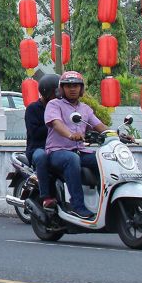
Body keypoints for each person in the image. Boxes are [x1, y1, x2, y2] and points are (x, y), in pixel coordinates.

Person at [44, 71, 107, 220]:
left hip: (80, 150)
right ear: (62, 89)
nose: (73, 89)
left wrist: (118, 135)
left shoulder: (85, 109)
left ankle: (105, 204)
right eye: (68, 86)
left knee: (102, 158)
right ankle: (77, 206)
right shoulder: (54, 105)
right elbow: (56, 123)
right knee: (72, 159)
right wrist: (70, 135)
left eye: (76, 86)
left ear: (81, 89)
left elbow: (99, 126)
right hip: (57, 152)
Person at [26, 74, 59, 208]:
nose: (59, 96)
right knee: (42, 157)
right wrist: (54, 124)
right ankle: (46, 197)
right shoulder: (33, 109)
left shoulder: (62, 107)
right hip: (38, 148)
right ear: (47, 92)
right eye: (56, 92)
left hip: (58, 147)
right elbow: (35, 133)